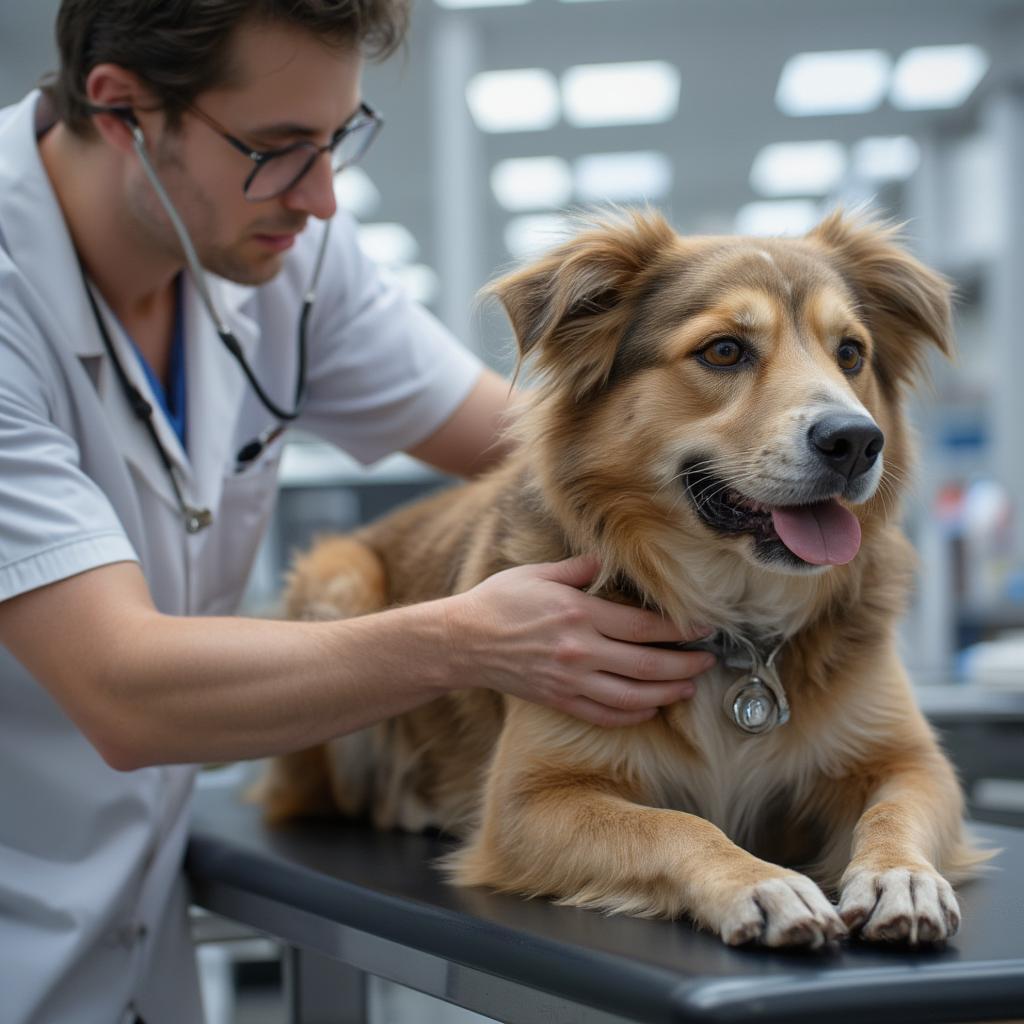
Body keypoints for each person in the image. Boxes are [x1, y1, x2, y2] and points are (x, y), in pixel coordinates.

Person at [0, 2, 715, 1021]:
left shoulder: (286, 258)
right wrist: (467, 638)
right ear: (122, 110)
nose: (325, 197)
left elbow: (533, 445)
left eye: (338, 139)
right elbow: (123, 691)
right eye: (281, 149)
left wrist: (744, 453)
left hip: (134, 930)